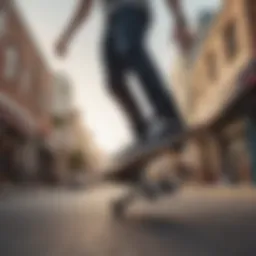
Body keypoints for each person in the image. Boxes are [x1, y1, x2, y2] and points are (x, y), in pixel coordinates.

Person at [55, 0, 192, 143]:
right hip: (112, 21)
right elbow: (84, 6)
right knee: (113, 81)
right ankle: (142, 131)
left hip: (133, 9)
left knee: (129, 47)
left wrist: (180, 20)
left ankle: (169, 118)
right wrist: (66, 36)